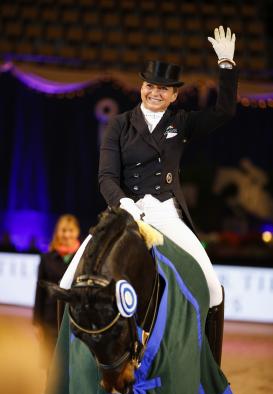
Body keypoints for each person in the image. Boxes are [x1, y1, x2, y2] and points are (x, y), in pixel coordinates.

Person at [98, 26, 238, 310]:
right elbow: (106, 177)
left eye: (163, 88)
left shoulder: (181, 122)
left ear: (174, 95)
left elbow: (224, 112)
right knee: (71, 279)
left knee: (212, 289)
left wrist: (226, 66)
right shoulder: (120, 124)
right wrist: (125, 203)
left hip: (165, 211)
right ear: (141, 88)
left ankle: (205, 354)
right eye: (150, 85)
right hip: (127, 210)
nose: (155, 92)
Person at [33, 214, 81, 366]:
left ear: (77, 232)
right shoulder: (47, 258)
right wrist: (37, 322)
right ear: (58, 232)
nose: (67, 234)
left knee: (72, 363)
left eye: (71, 230)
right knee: (51, 363)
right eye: (64, 230)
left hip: (76, 319)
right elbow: (39, 291)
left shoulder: (83, 258)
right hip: (50, 319)